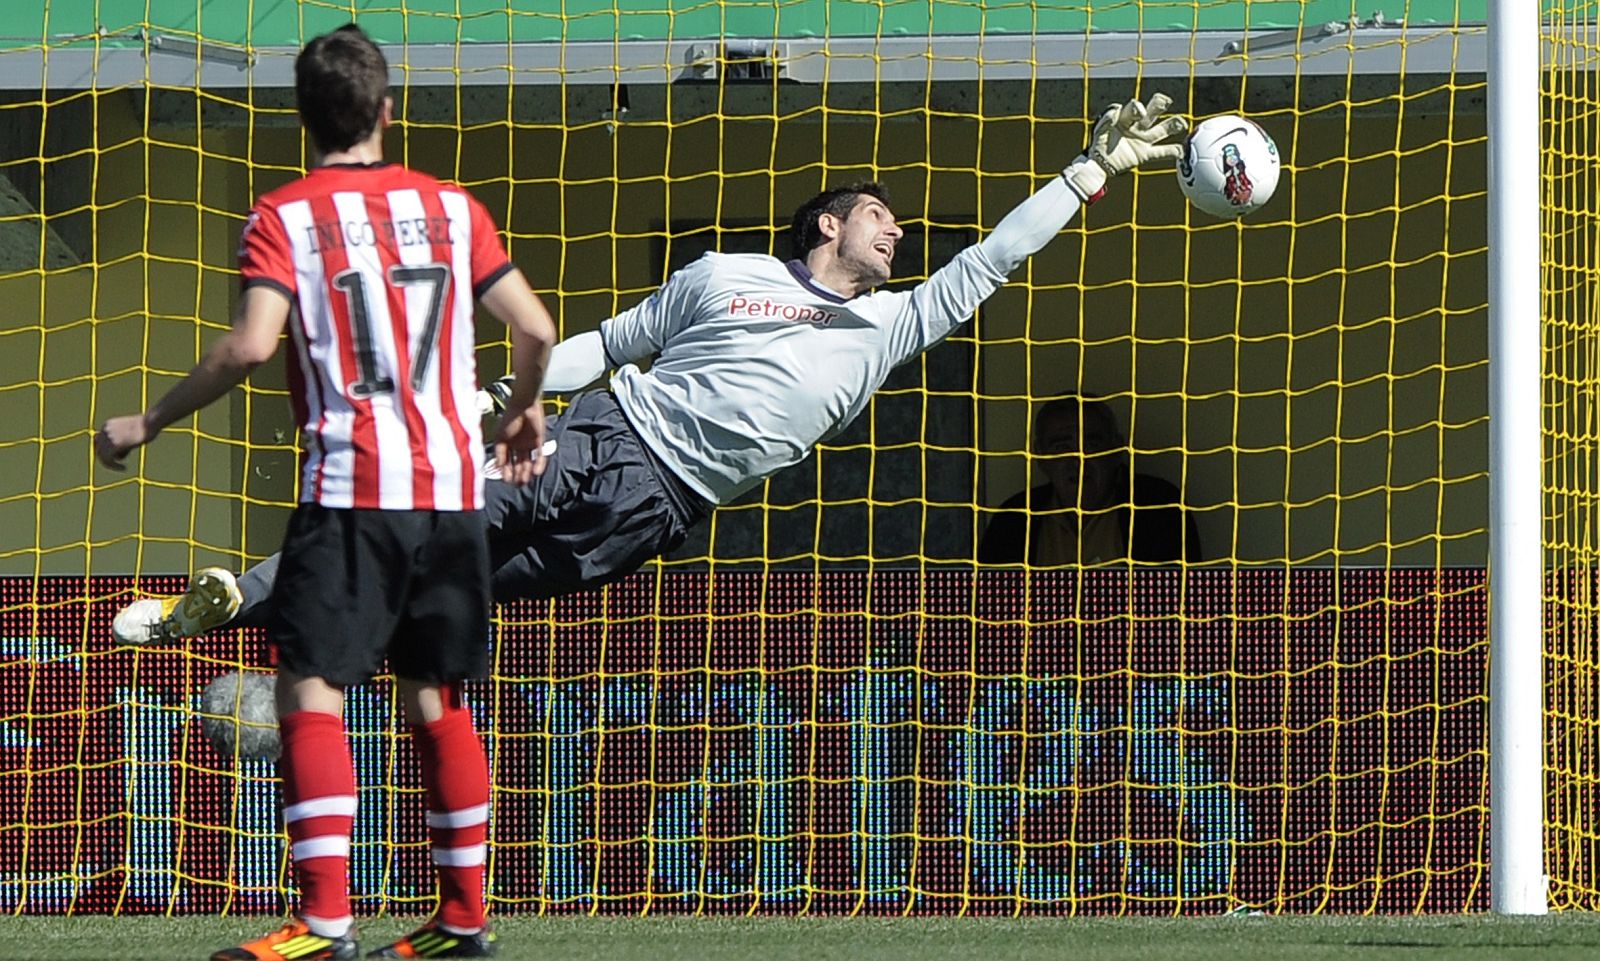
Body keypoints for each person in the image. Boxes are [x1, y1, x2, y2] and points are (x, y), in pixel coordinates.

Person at [113, 94, 1191, 646]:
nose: (897, 231)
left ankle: (265, 629)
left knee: (445, 591)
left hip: (656, 519)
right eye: (878, 215)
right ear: (827, 223)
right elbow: (611, 343)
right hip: (603, 438)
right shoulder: (721, 274)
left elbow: (991, 258)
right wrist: (508, 395)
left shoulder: (892, 323)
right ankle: (229, 596)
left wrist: (1088, 171)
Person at [94, 24, 556, 961]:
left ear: (305, 117)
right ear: (387, 110)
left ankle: (324, 923)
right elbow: (537, 328)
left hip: (351, 491)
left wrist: (149, 420)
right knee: (436, 698)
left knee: (310, 687)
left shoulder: (286, 215)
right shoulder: (453, 209)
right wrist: (524, 411)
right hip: (451, 496)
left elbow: (250, 346)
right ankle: (462, 921)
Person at [976, 393, 1202, 565]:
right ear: (1040, 457)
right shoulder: (1014, 520)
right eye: (1062, 447)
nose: (1078, 460)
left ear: (1117, 450)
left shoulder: (1159, 509)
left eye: (1091, 445)